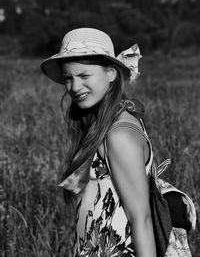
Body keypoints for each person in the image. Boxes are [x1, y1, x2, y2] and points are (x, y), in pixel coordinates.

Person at [41, 28, 195, 257]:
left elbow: (140, 219)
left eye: (84, 76)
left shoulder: (118, 134)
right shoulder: (105, 121)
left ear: (111, 74)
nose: (74, 87)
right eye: (68, 78)